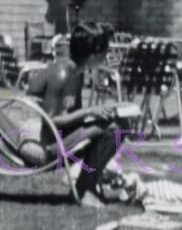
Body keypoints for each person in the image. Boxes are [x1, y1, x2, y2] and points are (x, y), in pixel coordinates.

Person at [25, 22, 131, 207]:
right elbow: (51, 120)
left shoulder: (76, 72)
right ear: (94, 54)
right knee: (115, 128)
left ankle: (87, 186)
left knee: (118, 123)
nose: (106, 57)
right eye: (105, 52)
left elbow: (73, 116)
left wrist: (100, 114)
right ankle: (84, 189)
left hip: (58, 136)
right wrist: (90, 112)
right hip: (44, 144)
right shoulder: (62, 73)